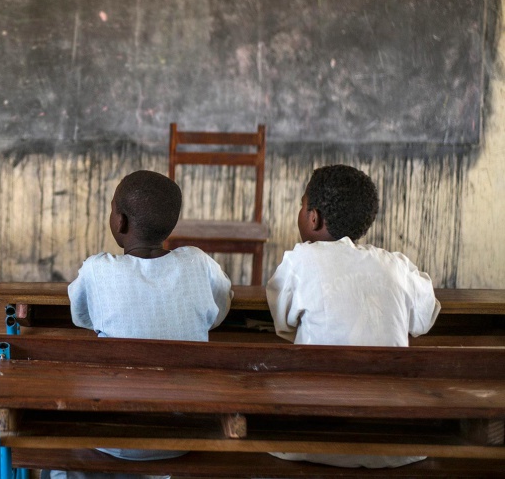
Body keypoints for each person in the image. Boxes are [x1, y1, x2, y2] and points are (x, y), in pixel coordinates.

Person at [47, 170, 232, 479]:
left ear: (120, 221)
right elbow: (219, 308)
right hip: (186, 434)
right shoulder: (198, 262)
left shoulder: (97, 270)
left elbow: (81, 317)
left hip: (112, 437)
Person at [266, 164, 441, 468]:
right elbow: (424, 320)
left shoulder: (300, 261)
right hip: (394, 443)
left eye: (302, 204)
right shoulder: (397, 266)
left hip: (312, 440)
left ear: (313, 217)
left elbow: (283, 324)